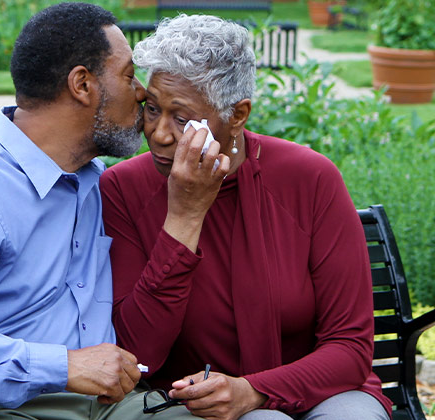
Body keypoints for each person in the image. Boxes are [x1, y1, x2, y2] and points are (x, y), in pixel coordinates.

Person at [0, 3, 194, 419]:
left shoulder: (87, 176)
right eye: (129, 75)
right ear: (82, 84)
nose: (141, 92)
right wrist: (62, 366)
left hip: (109, 406)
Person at [100, 14, 393, 420]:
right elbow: (138, 353)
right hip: (194, 406)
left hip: (323, 390)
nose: (160, 133)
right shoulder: (123, 190)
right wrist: (184, 217)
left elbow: (350, 347)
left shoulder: (309, 178)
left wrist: (254, 390)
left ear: (237, 115)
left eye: (182, 118)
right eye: (151, 108)